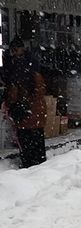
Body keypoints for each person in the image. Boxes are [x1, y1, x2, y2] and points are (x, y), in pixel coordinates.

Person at [2, 36, 47, 168]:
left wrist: (10, 102)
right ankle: (41, 168)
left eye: (15, 50)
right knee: (38, 143)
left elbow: (14, 93)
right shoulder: (33, 66)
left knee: (27, 147)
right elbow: (40, 89)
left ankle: (30, 170)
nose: (13, 52)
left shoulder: (18, 68)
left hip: (25, 114)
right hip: (37, 113)